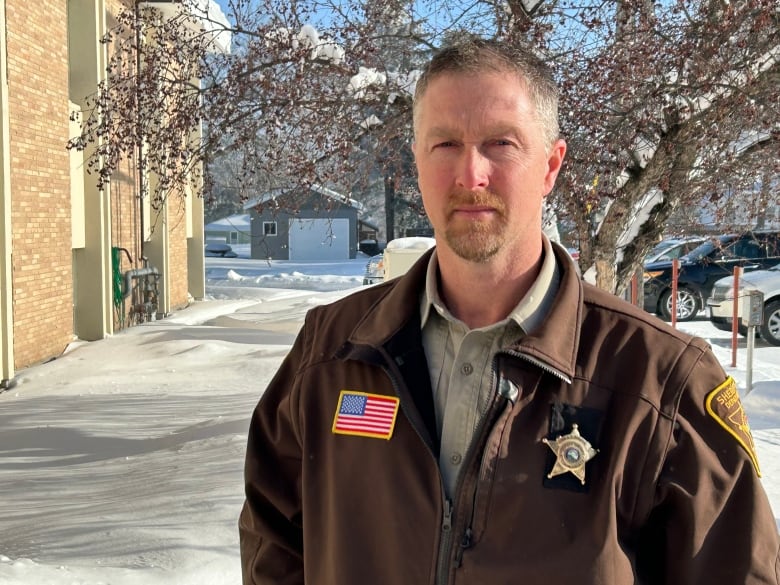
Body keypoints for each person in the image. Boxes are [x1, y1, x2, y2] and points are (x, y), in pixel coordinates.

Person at [239, 36, 780, 585]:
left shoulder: (662, 382)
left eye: (500, 143)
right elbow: (272, 536)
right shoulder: (330, 351)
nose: (471, 175)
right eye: (445, 143)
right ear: (417, 163)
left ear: (550, 165)